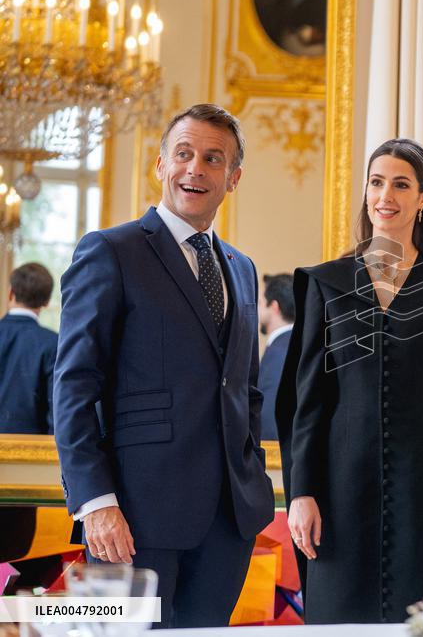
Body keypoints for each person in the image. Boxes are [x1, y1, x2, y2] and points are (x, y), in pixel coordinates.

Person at [53, 104, 274, 628]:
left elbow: (245, 389)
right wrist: (95, 501)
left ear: (233, 178)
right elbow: (74, 386)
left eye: (213, 159)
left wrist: (252, 478)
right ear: (160, 165)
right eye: (184, 153)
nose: (196, 168)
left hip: (229, 523)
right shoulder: (110, 251)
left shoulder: (242, 270)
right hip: (133, 517)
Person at [276, 138, 423, 624]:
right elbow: (306, 400)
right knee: (338, 618)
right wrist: (302, 491)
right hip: (338, 482)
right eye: (376, 183)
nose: (385, 196)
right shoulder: (324, 282)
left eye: (401, 184)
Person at [0, 262, 58, 434]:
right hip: (30, 451)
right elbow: (56, 408)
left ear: (10, 293)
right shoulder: (53, 343)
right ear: (47, 301)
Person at [258, 273, 295, 441]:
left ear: (274, 307)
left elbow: (270, 418)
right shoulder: (293, 345)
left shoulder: (280, 353)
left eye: (259, 303)